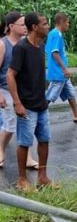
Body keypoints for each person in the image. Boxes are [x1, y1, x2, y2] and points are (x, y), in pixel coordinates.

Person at [6, 12, 53, 190]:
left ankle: (42, 176)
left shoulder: (40, 45)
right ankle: (22, 179)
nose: (47, 27)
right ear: (34, 27)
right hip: (26, 104)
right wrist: (17, 103)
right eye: (45, 24)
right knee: (24, 142)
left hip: (41, 103)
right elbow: (10, 75)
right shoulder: (21, 47)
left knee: (44, 139)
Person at [0, 12, 39, 170]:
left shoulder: (25, 43)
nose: (25, 27)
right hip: (6, 90)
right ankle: (0, 150)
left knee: (27, 125)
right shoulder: (3, 44)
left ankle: (28, 158)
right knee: (10, 125)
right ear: (10, 27)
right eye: (22, 25)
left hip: (24, 92)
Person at [44, 12, 77, 122]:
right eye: (67, 22)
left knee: (70, 92)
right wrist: (64, 69)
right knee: (51, 95)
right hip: (58, 73)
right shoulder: (56, 34)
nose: (68, 25)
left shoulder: (54, 33)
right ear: (62, 22)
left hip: (61, 73)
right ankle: (39, 113)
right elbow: (54, 53)